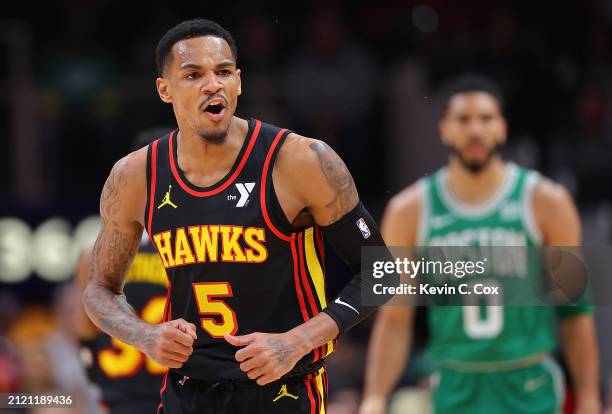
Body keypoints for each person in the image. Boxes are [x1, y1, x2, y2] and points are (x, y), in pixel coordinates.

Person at [83, 19, 391, 414]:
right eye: (193, 74)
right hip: (188, 392)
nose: (213, 85)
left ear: (239, 82)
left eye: (223, 72)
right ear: (165, 90)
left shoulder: (301, 160)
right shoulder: (134, 176)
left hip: (284, 387)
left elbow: (381, 269)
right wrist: (144, 336)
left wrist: (297, 341)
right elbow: (98, 290)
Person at [359, 75, 600, 414]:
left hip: (530, 386)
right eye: (463, 119)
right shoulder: (407, 211)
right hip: (454, 386)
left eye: (486, 119)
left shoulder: (549, 202)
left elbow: (575, 311)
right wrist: (374, 397)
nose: (475, 130)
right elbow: (394, 319)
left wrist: (589, 398)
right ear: (444, 129)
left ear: (502, 128)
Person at [75, 127, 172, 414]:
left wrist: (95, 375)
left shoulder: (93, 251)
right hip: (179, 392)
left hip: (119, 392)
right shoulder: (189, 242)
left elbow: (85, 332)